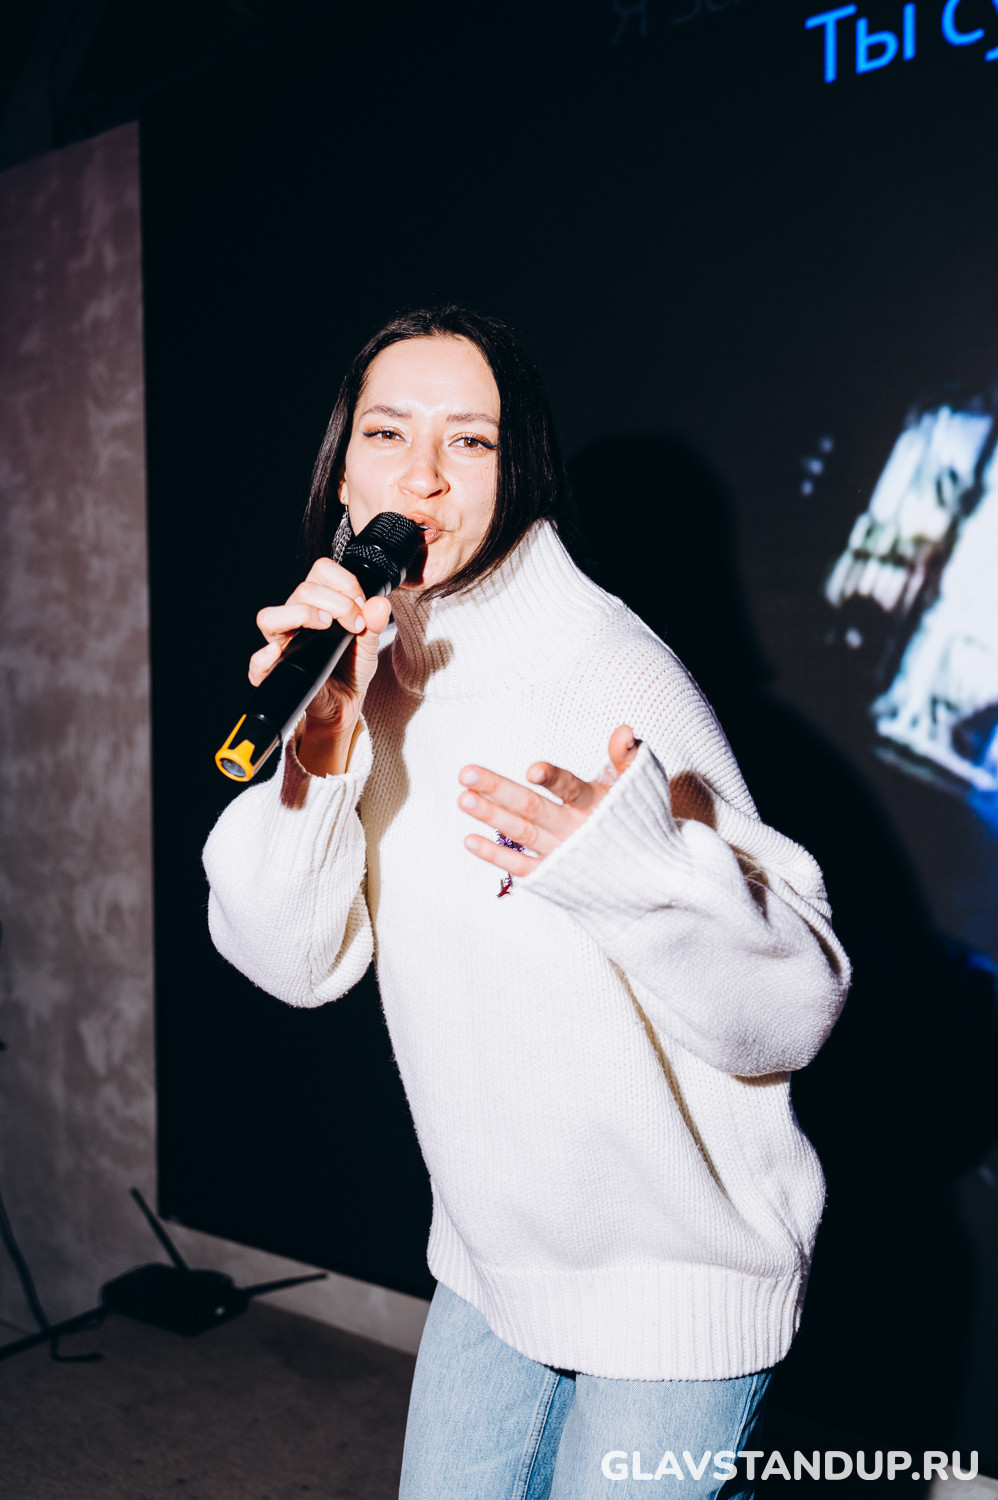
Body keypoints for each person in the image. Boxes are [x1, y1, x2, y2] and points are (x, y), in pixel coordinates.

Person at [202, 306, 851, 1499]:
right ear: (343, 474)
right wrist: (320, 749)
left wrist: (633, 869)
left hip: (676, 1277)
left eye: (471, 441)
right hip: (491, 1259)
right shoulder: (361, 675)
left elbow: (793, 1009)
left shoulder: (603, 668)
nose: (423, 477)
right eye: (388, 434)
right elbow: (288, 959)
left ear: (519, 474)